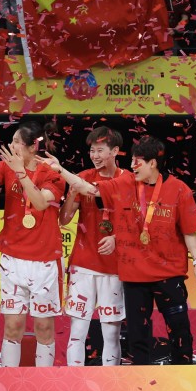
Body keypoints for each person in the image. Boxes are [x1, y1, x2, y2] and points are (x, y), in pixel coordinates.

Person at [49, 136, 196, 365]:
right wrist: (61, 170)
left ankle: (184, 373)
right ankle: (140, 377)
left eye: (137, 161)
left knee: (179, 330)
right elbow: (88, 188)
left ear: (153, 163)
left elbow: (189, 231)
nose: (132, 165)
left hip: (169, 274)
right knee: (137, 337)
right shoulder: (125, 183)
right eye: (131, 160)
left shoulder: (179, 189)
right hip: (134, 276)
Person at [0, 122, 65, 368]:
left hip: (44, 260)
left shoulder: (52, 173)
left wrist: (21, 173)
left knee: (44, 327)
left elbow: (40, 203)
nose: (11, 146)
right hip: (12, 258)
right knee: (13, 326)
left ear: (33, 146)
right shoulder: (7, 167)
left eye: (16, 142)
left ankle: (45, 382)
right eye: (11, 141)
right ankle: (8, 379)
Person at [57, 127, 128, 366]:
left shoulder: (127, 180)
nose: (94, 155)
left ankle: (111, 380)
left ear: (115, 151)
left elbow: (134, 223)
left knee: (111, 333)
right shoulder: (82, 177)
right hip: (83, 264)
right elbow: (64, 219)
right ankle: (74, 380)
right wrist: (72, 193)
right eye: (92, 150)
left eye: (100, 150)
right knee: (77, 331)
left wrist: (116, 237)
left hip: (115, 267)